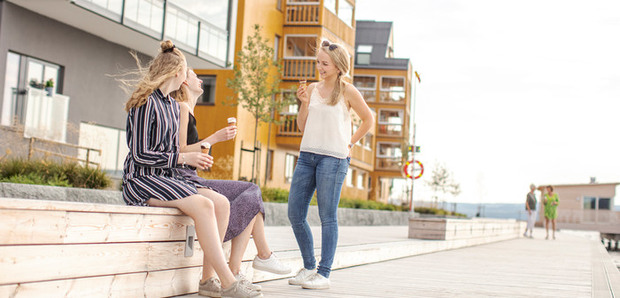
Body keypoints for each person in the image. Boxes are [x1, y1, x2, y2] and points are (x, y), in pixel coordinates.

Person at [121, 41, 262, 298]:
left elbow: (173, 151)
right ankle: (229, 282)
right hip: (141, 179)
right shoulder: (145, 103)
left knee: (220, 203)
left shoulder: (171, 107)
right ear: (177, 74)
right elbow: (140, 155)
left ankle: (208, 281)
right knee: (205, 205)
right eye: (187, 71)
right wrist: (184, 160)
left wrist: (188, 158)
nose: (188, 76)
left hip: (164, 177)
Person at [170, 68, 291, 294]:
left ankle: (244, 265)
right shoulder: (182, 107)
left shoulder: (189, 109)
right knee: (251, 192)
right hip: (184, 180)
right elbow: (181, 150)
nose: (200, 79)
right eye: (195, 75)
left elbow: (188, 154)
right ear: (184, 82)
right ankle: (257, 258)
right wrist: (216, 138)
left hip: (191, 176)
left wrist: (206, 151)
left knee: (251, 198)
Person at [287, 40, 374, 290]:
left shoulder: (348, 91)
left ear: (338, 66)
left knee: (327, 216)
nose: (320, 67)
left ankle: (324, 273)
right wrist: (303, 103)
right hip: (307, 156)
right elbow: (302, 127)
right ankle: (309, 266)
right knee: (295, 213)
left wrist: (350, 143)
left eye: (324, 63)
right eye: (318, 63)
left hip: (334, 159)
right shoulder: (312, 89)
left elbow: (368, 119)